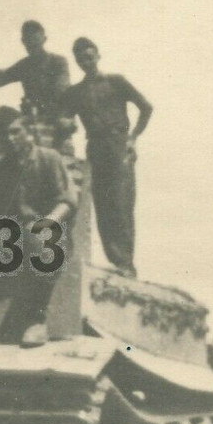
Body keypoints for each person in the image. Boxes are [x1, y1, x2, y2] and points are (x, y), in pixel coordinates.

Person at [0, 106, 78, 348]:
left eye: (15, 132)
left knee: (37, 236)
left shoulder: (48, 158)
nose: (10, 139)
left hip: (48, 238)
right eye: (4, 135)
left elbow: (67, 201)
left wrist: (47, 223)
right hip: (10, 240)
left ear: (27, 132)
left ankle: (35, 320)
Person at [59, 37, 152, 279]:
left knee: (121, 204)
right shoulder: (75, 93)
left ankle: (127, 264)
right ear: (77, 62)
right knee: (103, 205)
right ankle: (117, 260)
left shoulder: (116, 81)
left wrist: (133, 139)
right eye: (81, 59)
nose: (86, 62)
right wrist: (65, 122)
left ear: (98, 56)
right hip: (96, 148)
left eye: (89, 57)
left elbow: (146, 107)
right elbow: (63, 117)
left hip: (119, 145)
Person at [0, 20, 73, 150]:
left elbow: (62, 90)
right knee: (3, 113)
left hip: (54, 121)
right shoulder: (25, 65)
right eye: (29, 45)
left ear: (44, 39)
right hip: (31, 121)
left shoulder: (58, 62)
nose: (33, 49)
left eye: (36, 44)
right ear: (23, 42)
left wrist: (46, 106)